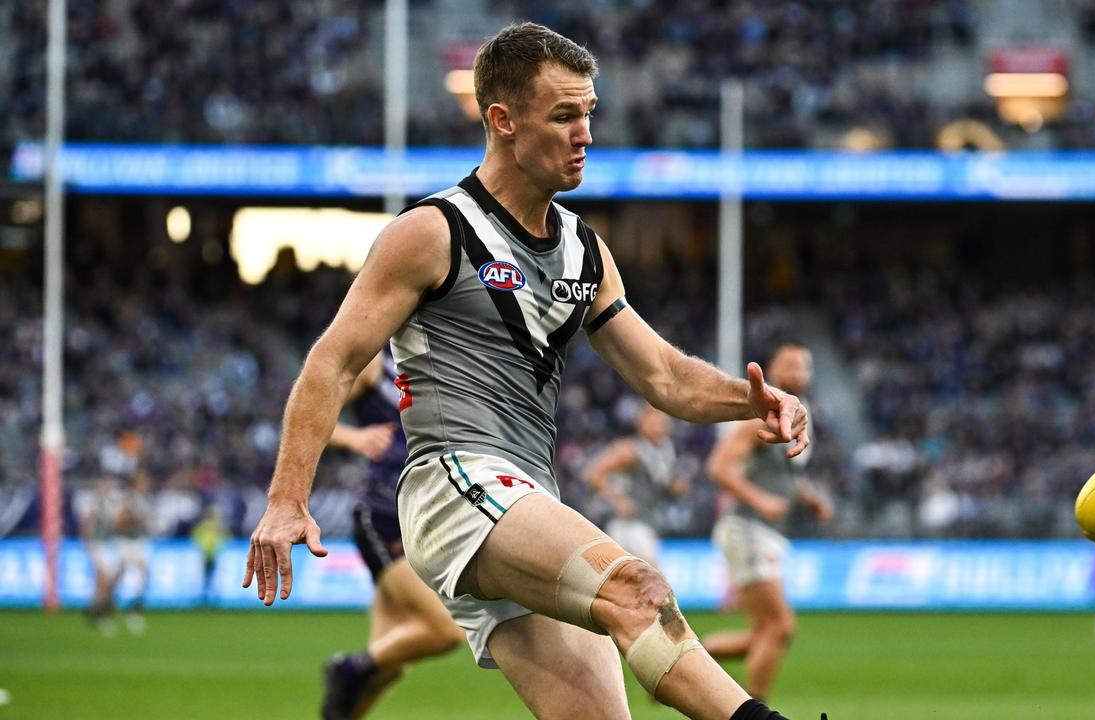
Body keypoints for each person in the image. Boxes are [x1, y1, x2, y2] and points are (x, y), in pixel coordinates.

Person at [243, 22, 810, 720]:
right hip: (454, 484)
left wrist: (753, 401)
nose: (586, 136)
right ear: (502, 121)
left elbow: (664, 376)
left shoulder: (584, 251)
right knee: (636, 591)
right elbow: (333, 363)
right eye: (564, 116)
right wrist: (285, 499)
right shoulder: (433, 232)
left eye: (589, 115)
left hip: (527, 500)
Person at [321, 348, 464, 720]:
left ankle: (353, 683)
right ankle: (347, 667)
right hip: (383, 512)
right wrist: (353, 438)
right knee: (446, 632)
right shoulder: (374, 360)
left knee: (389, 666)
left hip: (418, 515)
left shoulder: (428, 362)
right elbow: (309, 408)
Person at [702, 344, 833, 702]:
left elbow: (786, 475)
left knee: (764, 632)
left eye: (804, 364)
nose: (797, 370)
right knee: (779, 627)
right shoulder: (760, 417)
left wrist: (809, 499)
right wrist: (759, 499)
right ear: (773, 368)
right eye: (789, 363)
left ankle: (689, 658)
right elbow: (718, 467)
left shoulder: (799, 418)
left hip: (765, 531)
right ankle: (751, 709)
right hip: (747, 526)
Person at [586, 402, 690, 566]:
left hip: (649, 521)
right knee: (651, 573)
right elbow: (595, 474)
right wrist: (617, 500)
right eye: (653, 421)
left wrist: (676, 486)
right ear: (640, 423)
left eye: (662, 422)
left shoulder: (665, 451)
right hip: (628, 525)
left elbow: (664, 483)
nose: (658, 426)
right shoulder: (629, 449)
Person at [83, 473, 151, 635]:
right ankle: (103, 611)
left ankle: (116, 610)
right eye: (143, 481)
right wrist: (136, 519)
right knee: (110, 580)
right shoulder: (127, 500)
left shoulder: (137, 499)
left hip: (128, 543)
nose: (146, 483)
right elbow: (117, 523)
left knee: (130, 576)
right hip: (121, 543)